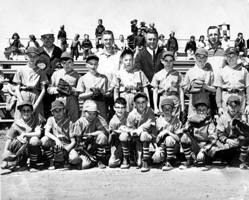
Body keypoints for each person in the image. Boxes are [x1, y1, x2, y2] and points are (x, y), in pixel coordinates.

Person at [1, 101, 43, 172]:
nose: (26, 113)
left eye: (28, 110)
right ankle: (21, 163)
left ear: (32, 112)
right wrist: (5, 157)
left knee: (34, 139)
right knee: (17, 141)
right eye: (23, 111)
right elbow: (9, 139)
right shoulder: (16, 124)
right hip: (21, 151)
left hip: (33, 150)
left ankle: (33, 164)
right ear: (20, 112)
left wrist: (25, 134)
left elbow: (38, 133)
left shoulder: (35, 121)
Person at [41, 100, 81, 170]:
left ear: (64, 110)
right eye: (55, 111)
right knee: (44, 140)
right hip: (55, 144)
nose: (58, 113)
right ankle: (51, 160)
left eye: (60, 110)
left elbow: (73, 141)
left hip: (66, 145)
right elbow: (46, 132)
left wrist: (66, 150)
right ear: (52, 112)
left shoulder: (69, 122)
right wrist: (56, 139)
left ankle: (64, 160)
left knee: (75, 159)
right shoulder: (51, 120)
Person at [179, 98, 217, 170]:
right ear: (196, 111)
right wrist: (187, 127)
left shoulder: (210, 121)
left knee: (214, 147)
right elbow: (183, 131)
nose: (201, 112)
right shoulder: (191, 119)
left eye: (204, 110)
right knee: (184, 137)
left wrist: (203, 150)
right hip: (195, 144)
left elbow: (213, 139)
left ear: (208, 110)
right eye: (199, 110)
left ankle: (207, 160)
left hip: (206, 145)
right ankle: (189, 159)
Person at [13, 47, 48, 120]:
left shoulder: (41, 72)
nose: (32, 58)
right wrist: (21, 102)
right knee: (21, 120)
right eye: (30, 56)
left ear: (38, 57)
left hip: (35, 96)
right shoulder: (20, 70)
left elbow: (43, 90)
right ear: (26, 56)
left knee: (37, 120)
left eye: (35, 56)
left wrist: (36, 105)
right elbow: (17, 88)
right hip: (23, 96)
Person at [73, 100, 109, 169]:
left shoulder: (97, 119)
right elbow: (78, 145)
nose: (91, 116)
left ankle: (100, 160)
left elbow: (103, 131)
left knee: (102, 137)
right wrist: (89, 156)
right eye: (89, 114)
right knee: (85, 165)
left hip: (94, 146)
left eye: (94, 114)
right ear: (84, 112)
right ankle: (87, 160)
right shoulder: (80, 123)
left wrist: (92, 134)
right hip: (83, 149)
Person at [216, 96, 249, 169]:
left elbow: (246, 132)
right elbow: (219, 134)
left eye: (235, 106)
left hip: (239, 142)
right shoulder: (222, 118)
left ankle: (242, 161)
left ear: (239, 107)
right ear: (227, 106)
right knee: (218, 148)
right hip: (227, 142)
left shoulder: (243, 117)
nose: (233, 108)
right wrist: (227, 140)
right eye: (230, 106)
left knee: (245, 140)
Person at [181, 48, 216, 117]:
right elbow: (184, 89)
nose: (201, 59)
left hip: (205, 99)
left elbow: (214, 89)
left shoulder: (209, 72)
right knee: (193, 121)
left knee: (205, 122)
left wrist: (205, 87)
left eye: (203, 57)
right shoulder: (190, 72)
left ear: (206, 59)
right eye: (198, 56)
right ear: (195, 57)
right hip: (194, 100)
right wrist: (191, 87)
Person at [134, 29, 164, 108]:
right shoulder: (140, 56)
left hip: (161, 92)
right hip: (145, 93)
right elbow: (138, 74)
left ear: (158, 40)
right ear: (146, 40)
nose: (152, 41)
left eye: (154, 39)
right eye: (150, 39)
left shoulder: (163, 54)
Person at [126, 92, 156, 172]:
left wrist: (140, 129)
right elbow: (130, 128)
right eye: (138, 103)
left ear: (147, 102)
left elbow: (150, 123)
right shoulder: (132, 114)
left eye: (143, 102)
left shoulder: (149, 110)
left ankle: (145, 161)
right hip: (136, 138)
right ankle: (134, 157)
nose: (141, 105)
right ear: (134, 104)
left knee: (143, 135)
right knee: (138, 162)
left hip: (149, 135)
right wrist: (134, 132)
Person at [215, 47, 249, 117]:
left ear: (238, 57)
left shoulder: (244, 71)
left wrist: (248, 104)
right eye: (228, 56)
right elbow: (218, 89)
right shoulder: (221, 71)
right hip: (226, 96)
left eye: (233, 56)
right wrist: (219, 106)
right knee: (226, 120)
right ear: (225, 57)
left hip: (240, 96)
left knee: (240, 120)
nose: (231, 58)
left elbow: (248, 87)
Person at [47, 52, 81, 123]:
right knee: (59, 120)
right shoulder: (56, 74)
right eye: (64, 63)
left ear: (73, 63)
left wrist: (71, 89)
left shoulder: (77, 75)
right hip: (60, 99)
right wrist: (57, 89)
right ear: (61, 64)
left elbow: (80, 92)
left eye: (69, 62)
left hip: (72, 100)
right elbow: (49, 89)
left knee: (73, 121)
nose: (67, 65)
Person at [151, 51, 184, 118]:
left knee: (175, 122)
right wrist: (155, 107)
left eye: (170, 61)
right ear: (162, 61)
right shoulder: (157, 75)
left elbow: (181, 91)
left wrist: (182, 107)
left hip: (174, 100)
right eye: (166, 61)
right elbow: (155, 91)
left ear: (173, 61)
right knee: (163, 121)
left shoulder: (178, 74)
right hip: (163, 99)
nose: (168, 63)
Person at [38, 29, 62, 119]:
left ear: (54, 38)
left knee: (56, 110)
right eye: (45, 38)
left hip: (55, 87)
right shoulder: (38, 52)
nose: (48, 40)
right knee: (42, 111)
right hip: (41, 86)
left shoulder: (59, 51)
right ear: (41, 39)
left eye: (50, 37)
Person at [152, 98, 182, 171]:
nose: (167, 111)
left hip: (173, 146)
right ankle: (165, 158)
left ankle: (169, 161)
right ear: (162, 109)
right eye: (165, 109)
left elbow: (178, 138)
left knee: (169, 139)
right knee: (156, 159)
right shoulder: (158, 121)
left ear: (173, 110)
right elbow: (153, 138)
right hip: (161, 147)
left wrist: (168, 132)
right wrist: (156, 149)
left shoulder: (177, 121)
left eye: (169, 108)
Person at [76, 54, 109, 119]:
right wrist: (92, 93)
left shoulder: (103, 78)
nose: (93, 66)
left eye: (95, 64)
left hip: (100, 107)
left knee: (101, 126)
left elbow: (107, 93)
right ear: (86, 65)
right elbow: (80, 95)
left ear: (98, 65)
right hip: (88, 107)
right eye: (91, 64)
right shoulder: (83, 78)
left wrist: (101, 93)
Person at [108, 97, 131, 169]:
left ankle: (129, 157)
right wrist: (117, 132)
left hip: (131, 141)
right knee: (112, 163)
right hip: (118, 144)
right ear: (114, 108)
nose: (120, 110)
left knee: (124, 135)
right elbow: (110, 141)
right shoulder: (112, 121)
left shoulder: (130, 116)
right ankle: (122, 157)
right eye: (117, 107)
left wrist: (126, 130)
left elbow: (134, 129)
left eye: (122, 107)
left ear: (125, 108)